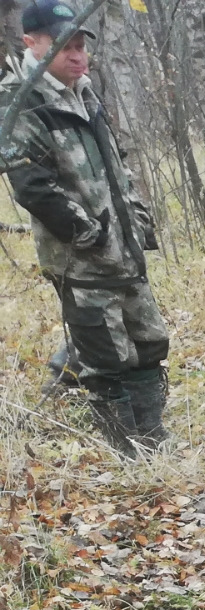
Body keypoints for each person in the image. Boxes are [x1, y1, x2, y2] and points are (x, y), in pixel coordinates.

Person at [0, 0, 168, 454]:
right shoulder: (19, 103)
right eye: (64, 46)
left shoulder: (85, 92)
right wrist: (90, 234)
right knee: (105, 357)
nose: (78, 56)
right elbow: (34, 188)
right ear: (31, 43)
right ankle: (127, 452)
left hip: (125, 249)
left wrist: (137, 218)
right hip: (82, 259)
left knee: (150, 343)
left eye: (80, 46)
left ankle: (153, 441)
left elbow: (116, 168)